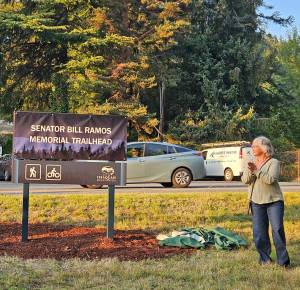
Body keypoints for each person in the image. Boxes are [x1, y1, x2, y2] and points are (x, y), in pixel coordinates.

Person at [241, 136, 290, 267]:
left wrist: (256, 170)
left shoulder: (274, 162)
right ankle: (265, 260)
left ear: (264, 148)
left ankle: (283, 262)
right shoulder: (250, 161)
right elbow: (245, 180)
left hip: (274, 201)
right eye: (252, 146)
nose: (252, 148)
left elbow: (270, 180)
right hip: (256, 202)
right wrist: (251, 171)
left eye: (255, 146)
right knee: (259, 233)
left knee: (277, 230)